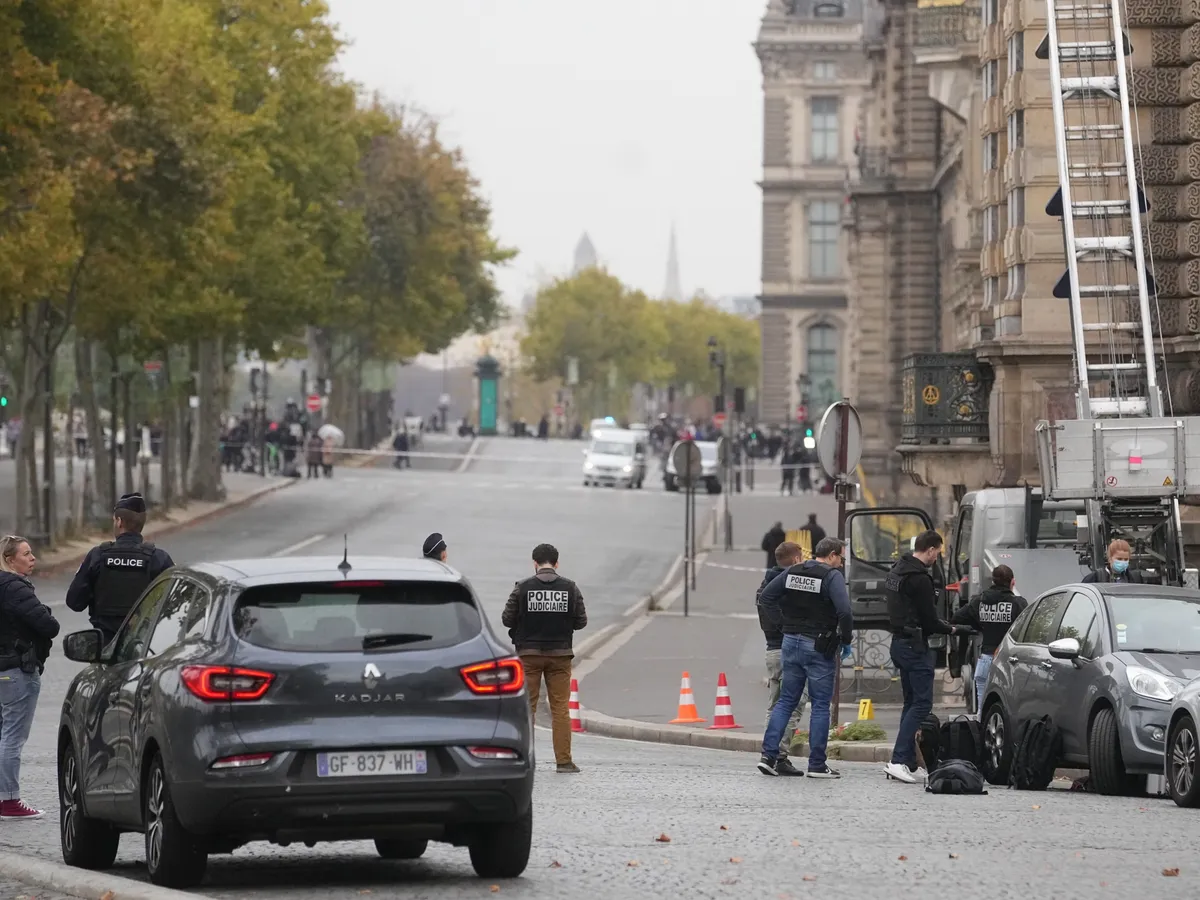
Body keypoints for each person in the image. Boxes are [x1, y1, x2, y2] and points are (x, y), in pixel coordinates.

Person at [756, 537, 853, 779]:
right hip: (818, 644)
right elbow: (844, 611)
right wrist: (846, 639)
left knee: (786, 701)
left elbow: (766, 597)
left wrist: (783, 624)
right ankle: (817, 765)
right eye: (841, 557)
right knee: (820, 705)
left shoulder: (793, 571)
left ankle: (768, 757)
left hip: (790, 643)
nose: (841, 563)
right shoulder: (831, 576)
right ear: (831, 555)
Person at [884, 529, 962, 784]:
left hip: (899, 642)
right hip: (915, 646)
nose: (937, 557)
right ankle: (898, 760)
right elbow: (929, 620)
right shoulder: (920, 579)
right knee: (921, 704)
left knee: (911, 703)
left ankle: (908, 762)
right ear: (930, 550)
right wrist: (952, 629)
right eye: (937, 552)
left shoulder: (897, 571)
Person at [502, 543, 588, 774]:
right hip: (560, 655)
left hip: (528, 655)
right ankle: (564, 761)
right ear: (556, 563)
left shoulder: (522, 587)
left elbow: (507, 619)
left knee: (526, 708)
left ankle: (525, 760)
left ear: (535, 563)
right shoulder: (570, 588)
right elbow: (581, 621)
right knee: (560, 709)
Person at [0, 535, 60, 819]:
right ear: (10, 560)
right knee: (12, 737)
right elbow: (48, 626)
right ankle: (9, 801)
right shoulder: (15, 587)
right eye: (26, 554)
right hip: (17, 670)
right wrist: (46, 614)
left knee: (3, 734)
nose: (33, 558)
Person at [65, 493, 175, 645]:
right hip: (145, 647)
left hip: (105, 647)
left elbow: (74, 602)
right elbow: (172, 605)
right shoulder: (159, 558)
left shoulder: (98, 556)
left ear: (119, 522)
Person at [757, 541, 808, 775]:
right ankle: (779, 756)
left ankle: (768, 753)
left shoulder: (764, 585)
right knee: (793, 705)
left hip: (771, 650)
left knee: (774, 706)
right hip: (789, 649)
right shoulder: (791, 585)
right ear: (796, 559)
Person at [952, 564, 1027, 710]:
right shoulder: (1018, 604)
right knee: (1009, 709)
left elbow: (957, 617)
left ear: (993, 581)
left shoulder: (979, 601)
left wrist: (979, 627)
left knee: (983, 710)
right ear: (1012, 582)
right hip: (1009, 662)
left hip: (986, 660)